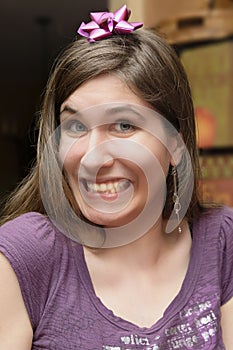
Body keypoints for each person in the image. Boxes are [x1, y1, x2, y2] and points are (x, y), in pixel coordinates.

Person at [0, 4, 233, 349]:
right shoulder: (26, 257)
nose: (92, 157)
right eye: (75, 125)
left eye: (124, 125)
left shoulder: (222, 241)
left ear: (175, 146)